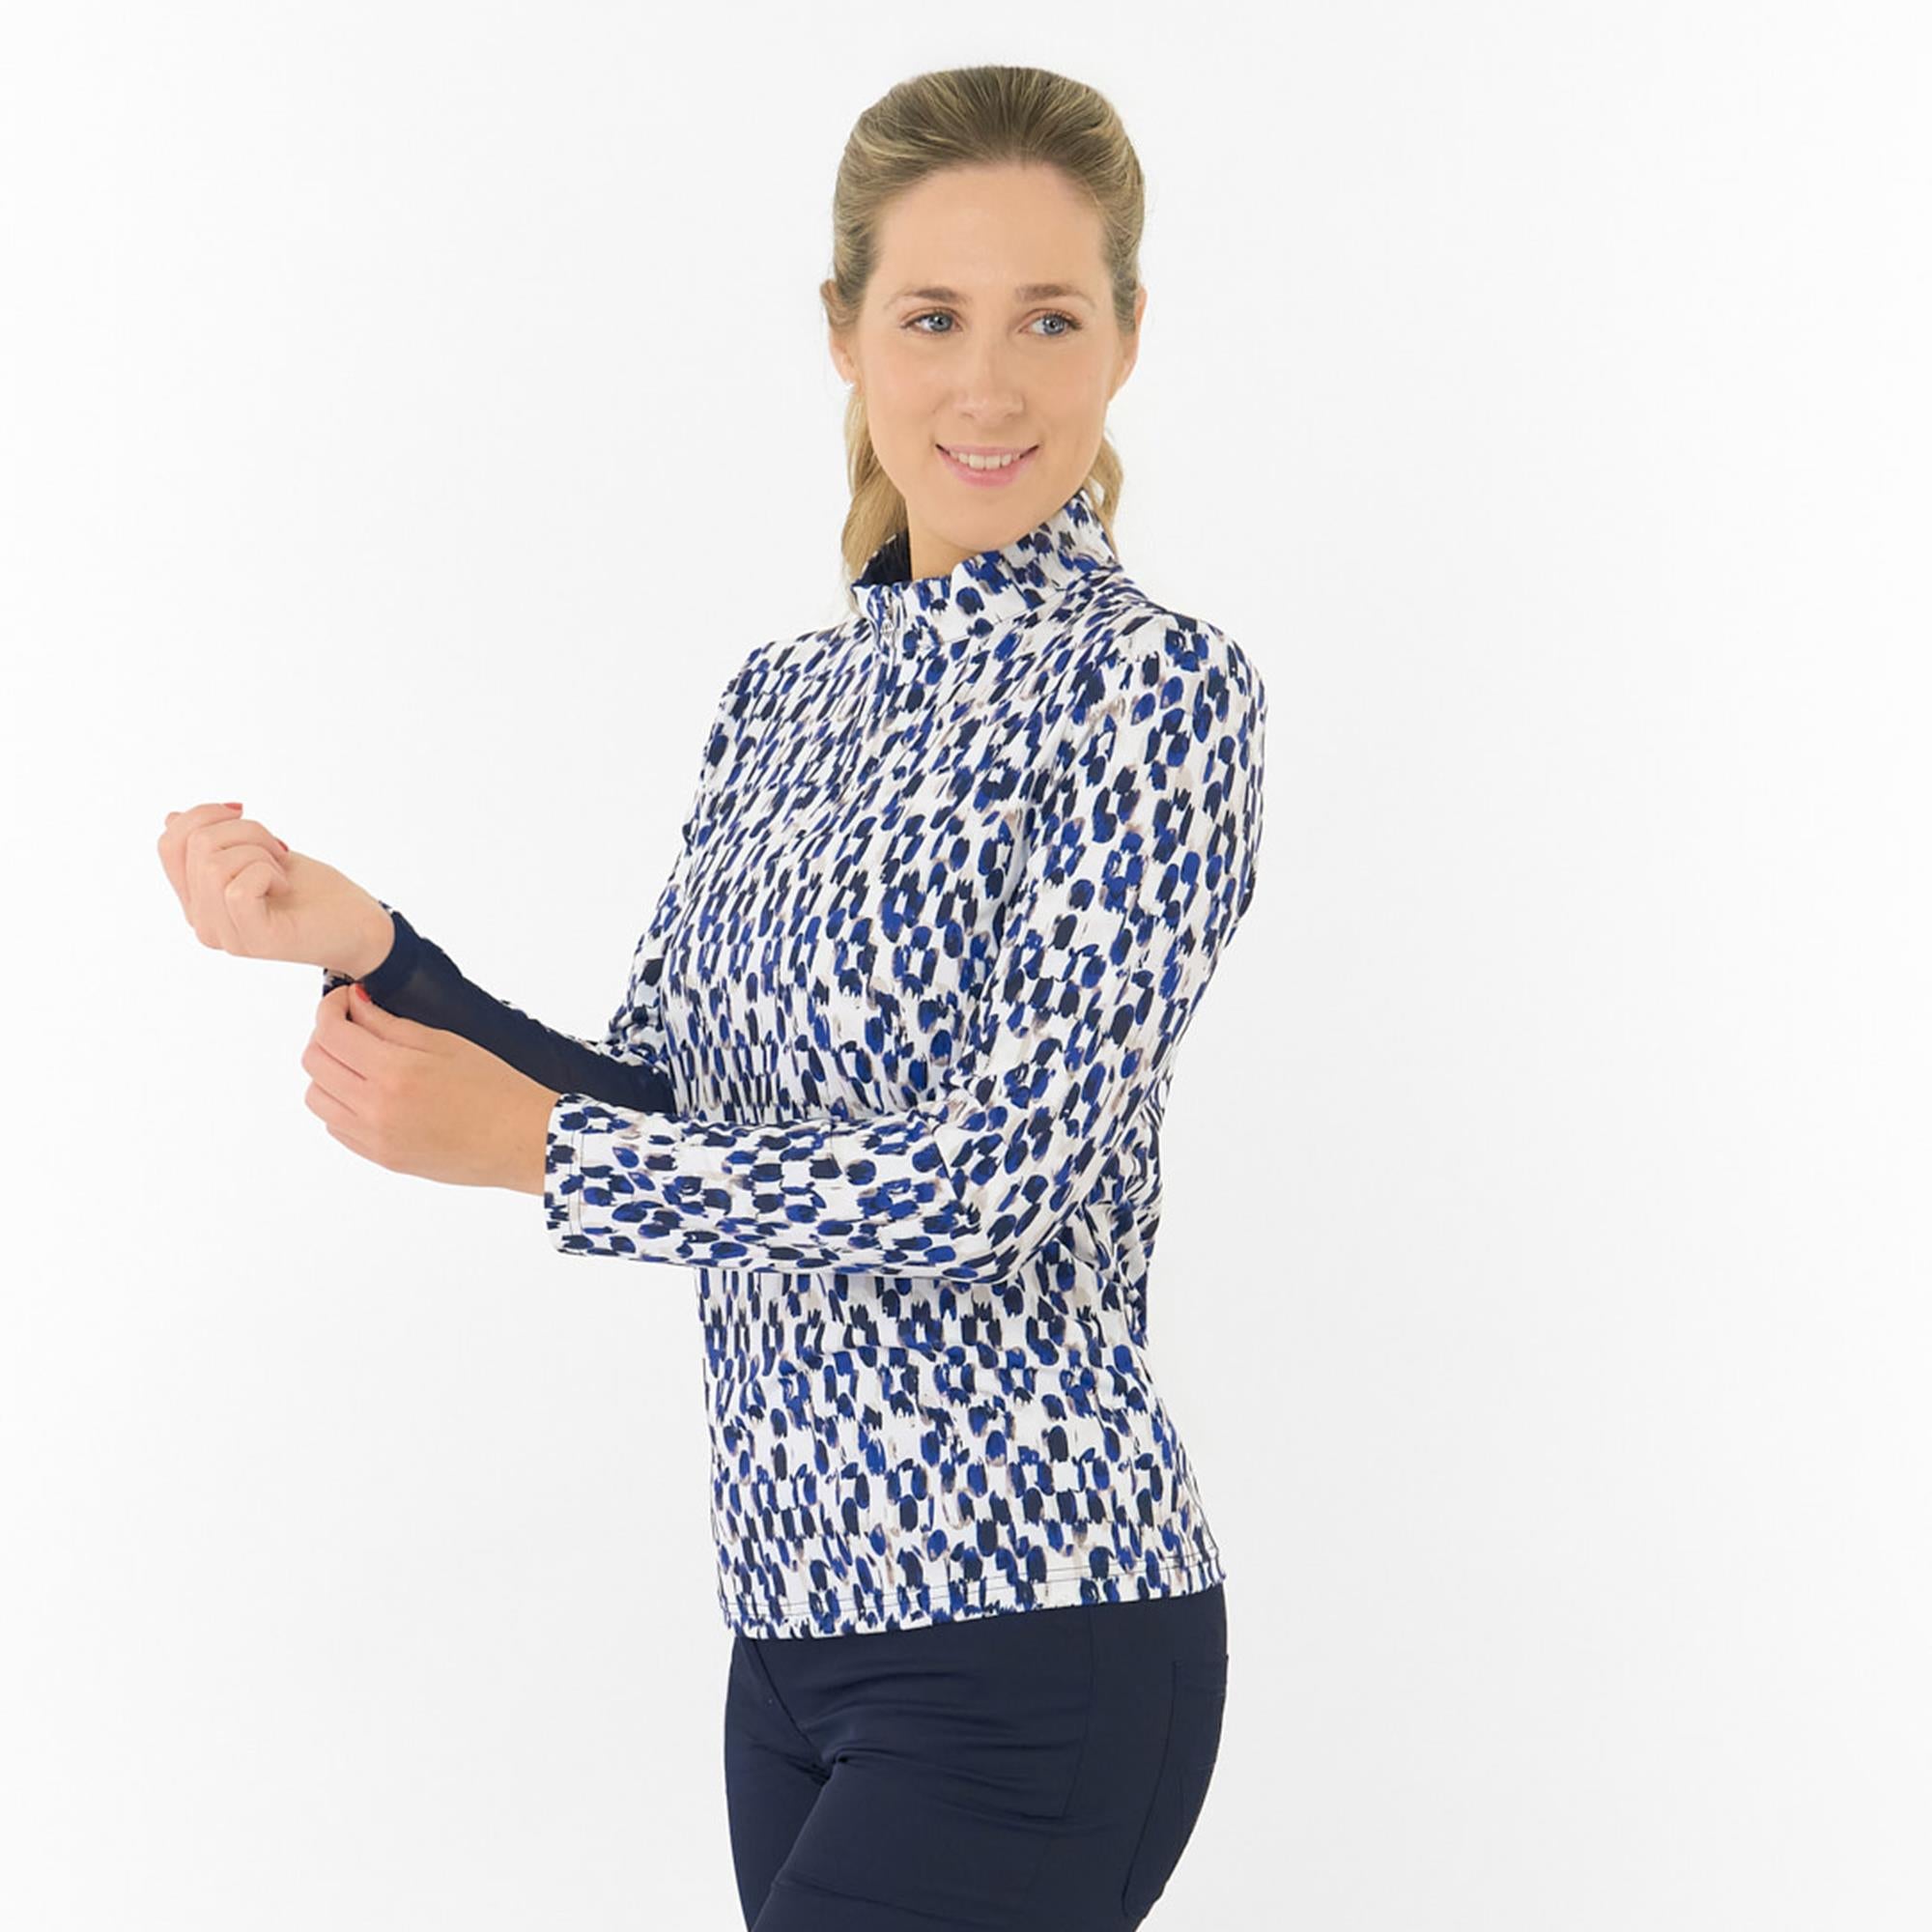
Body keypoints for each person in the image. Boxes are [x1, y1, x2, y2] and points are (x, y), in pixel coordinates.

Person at [157, 62, 1266, 1932]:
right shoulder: (781, 700)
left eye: (1049, 319)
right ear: (843, 331)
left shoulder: (1159, 694)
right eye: (932, 317)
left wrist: (544, 1159)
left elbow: (998, 1184)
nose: (988, 385)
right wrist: (373, 949)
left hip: (1037, 1621)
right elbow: (670, 1104)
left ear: (1129, 337)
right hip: (791, 1638)